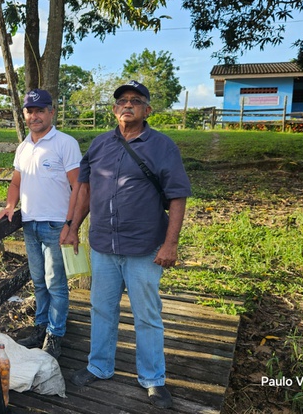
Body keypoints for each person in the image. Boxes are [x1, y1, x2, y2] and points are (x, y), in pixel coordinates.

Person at [63, 80, 191, 409]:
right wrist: (72, 227)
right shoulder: (99, 145)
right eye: (122, 101)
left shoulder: (162, 146)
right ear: (114, 109)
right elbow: (84, 190)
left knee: (146, 314)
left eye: (135, 100)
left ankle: (153, 378)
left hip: (144, 247)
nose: (128, 105)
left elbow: (178, 196)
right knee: (101, 309)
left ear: (148, 110)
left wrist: (170, 244)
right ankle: (99, 366)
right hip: (103, 246)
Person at [0, 89, 81, 359]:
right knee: (38, 280)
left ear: (51, 112)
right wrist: (10, 205)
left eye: (40, 111)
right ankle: (41, 327)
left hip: (56, 224)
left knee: (55, 282)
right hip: (30, 223)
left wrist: (71, 224)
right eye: (30, 111)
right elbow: (16, 183)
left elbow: (78, 186)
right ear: (24, 114)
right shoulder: (23, 147)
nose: (35, 116)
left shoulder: (65, 143)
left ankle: (55, 335)